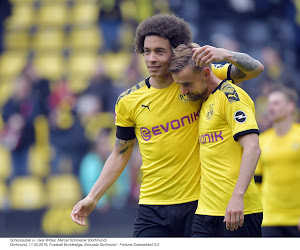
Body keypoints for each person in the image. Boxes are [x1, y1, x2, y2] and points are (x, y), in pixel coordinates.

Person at [71, 14, 264, 237]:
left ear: (175, 51)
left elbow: (255, 69)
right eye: (146, 51)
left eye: (159, 51)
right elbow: (120, 152)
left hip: (197, 204)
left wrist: (225, 54)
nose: (151, 58)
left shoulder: (193, 79)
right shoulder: (128, 101)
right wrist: (93, 196)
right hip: (152, 205)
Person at [169, 43, 263, 237]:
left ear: (205, 73)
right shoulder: (203, 99)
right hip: (205, 212)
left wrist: (237, 197)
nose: (183, 91)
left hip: (238, 210)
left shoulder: (231, 96)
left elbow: (252, 148)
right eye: (180, 85)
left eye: (187, 84)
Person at [254, 85, 300, 237]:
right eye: (269, 103)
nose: (270, 108)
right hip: (270, 218)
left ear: (290, 106)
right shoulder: (262, 141)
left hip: (296, 217)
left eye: (276, 103)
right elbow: (257, 182)